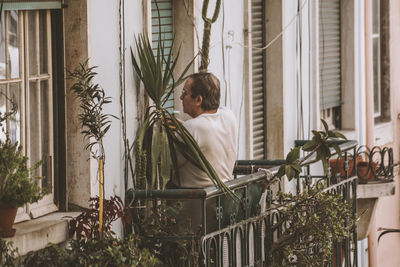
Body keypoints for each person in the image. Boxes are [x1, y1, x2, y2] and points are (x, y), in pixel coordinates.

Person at [171, 72, 238, 189]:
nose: (181, 98)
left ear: (198, 100)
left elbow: (170, 164)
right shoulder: (229, 116)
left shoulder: (192, 128)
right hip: (222, 197)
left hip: (194, 201)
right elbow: (207, 129)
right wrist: (181, 127)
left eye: (184, 93)